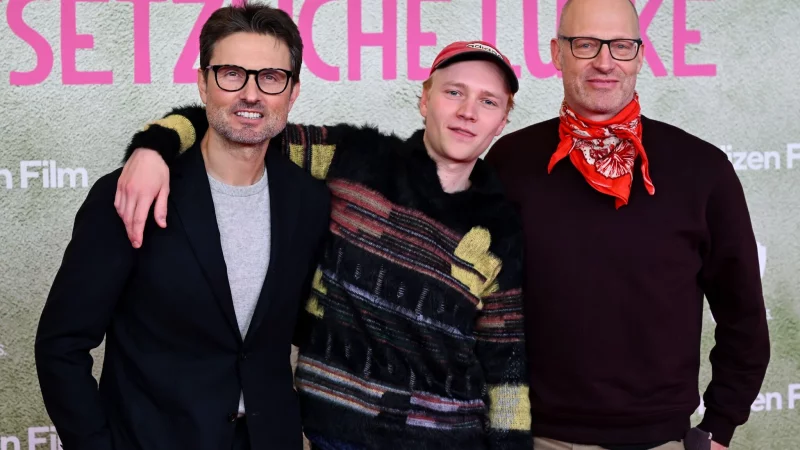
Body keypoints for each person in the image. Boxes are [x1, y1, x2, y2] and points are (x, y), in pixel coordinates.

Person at [113, 40, 532, 449]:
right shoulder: (353, 156)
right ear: (425, 100)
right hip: (334, 432)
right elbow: (241, 124)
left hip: (449, 439)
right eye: (454, 92)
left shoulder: (499, 228)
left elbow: (506, 363)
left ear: (502, 121)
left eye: (488, 102)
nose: (468, 112)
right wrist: (153, 149)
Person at [34, 4, 330, 449]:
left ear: (293, 92)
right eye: (231, 73)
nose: (251, 94)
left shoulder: (308, 200)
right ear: (202, 83)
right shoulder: (132, 193)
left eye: (270, 77)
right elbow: (61, 346)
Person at [483, 0, 770, 449]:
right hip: (536, 437)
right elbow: (478, 307)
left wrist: (720, 426)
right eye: (585, 44)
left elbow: (744, 316)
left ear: (639, 55)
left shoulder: (702, 168)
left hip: (662, 440)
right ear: (557, 54)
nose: (604, 61)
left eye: (620, 45)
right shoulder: (510, 162)